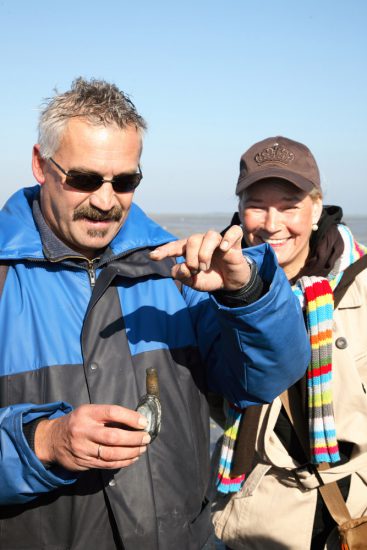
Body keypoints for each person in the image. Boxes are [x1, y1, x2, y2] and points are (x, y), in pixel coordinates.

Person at [0, 83, 309, 550]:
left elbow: (265, 379)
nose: (105, 201)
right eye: (85, 179)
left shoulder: (175, 269)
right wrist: (41, 442)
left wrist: (246, 294)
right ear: (40, 165)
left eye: (124, 181)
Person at [212, 136, 367, 549]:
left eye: (289, 205)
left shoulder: (359, 281)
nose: (272, 222)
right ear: (240, 211)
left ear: (316, 209)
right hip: (254, 513)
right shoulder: (216, 284)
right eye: (257, 205)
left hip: (351, 505)